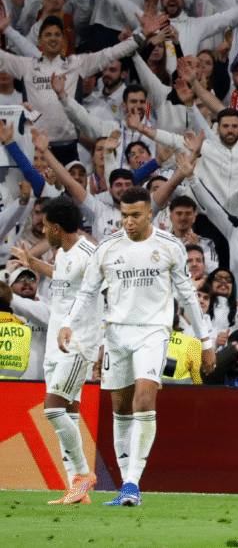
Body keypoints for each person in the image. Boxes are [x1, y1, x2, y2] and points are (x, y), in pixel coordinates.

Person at [56, 186, 215, 507]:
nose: (128, 222)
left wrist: (206, 341)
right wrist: (67, 322)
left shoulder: (170, 246)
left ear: (149, 214)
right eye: (124, 215)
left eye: (135, 216)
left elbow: (187, 297)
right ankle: (127, 485)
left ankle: (131, 483)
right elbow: (87, 292)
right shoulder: (108, 247)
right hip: (116, 334)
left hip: (154, 333)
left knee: (144, 399)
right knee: (120, 407)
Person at [9, 197, 103, 504]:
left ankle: (85, 474)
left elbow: (94, 295)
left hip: (77, 343)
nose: (43, 229)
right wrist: (34, 264)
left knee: (53, 408)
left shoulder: (89, 254)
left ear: (57, 227)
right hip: (56, 344)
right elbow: (64, 279)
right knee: (70, 414)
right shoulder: (63, 252)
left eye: (47, 225)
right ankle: (77, 488)